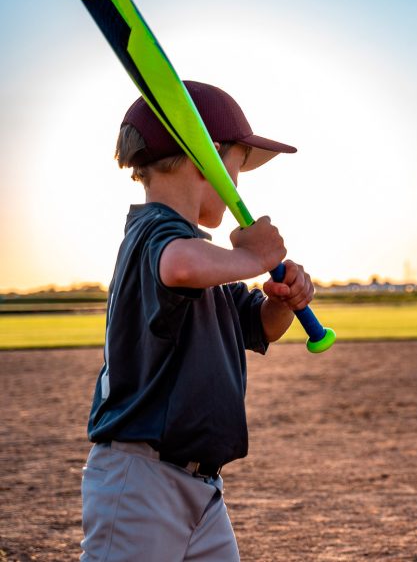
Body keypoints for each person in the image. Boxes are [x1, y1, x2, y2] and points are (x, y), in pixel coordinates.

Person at [81, 81, 316, 561]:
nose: (239, 183)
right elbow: (180, 265)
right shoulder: (154, 231)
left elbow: (258, 327)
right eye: (237, 165)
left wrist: (283, 300)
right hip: (140, 481)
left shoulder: (202, 257)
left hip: (202, 486)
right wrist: (252, 255)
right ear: (203, 159)